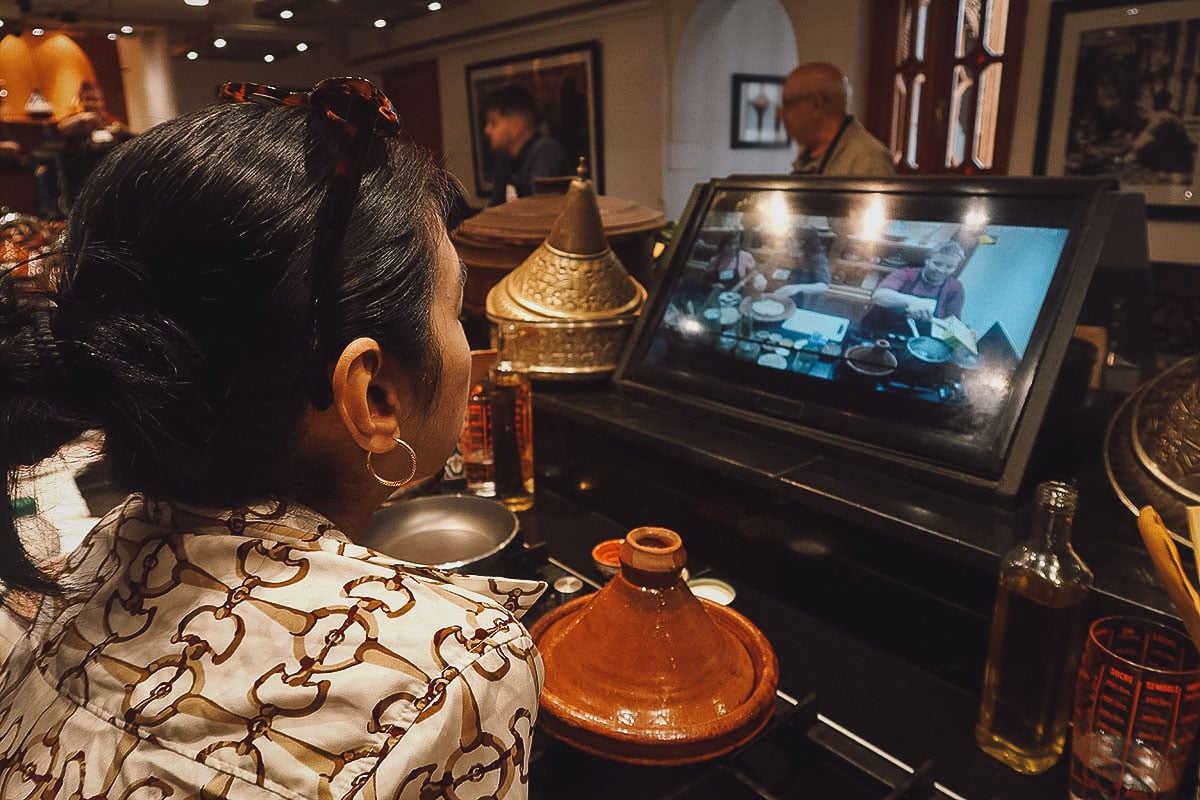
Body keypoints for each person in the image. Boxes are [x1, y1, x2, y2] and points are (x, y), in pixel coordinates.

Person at [0, 77, 545, 799]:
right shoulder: (454, 671)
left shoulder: (94, 555)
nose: (467, 343)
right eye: (456, 307)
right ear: (374, 395)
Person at [780, 62, 896, 176]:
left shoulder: (868, 161)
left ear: (816, 105)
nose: (780, 114)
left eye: (788, 103)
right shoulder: (810, 156)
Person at [483, 84, 571, 206]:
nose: (487, 130)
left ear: (516, 126)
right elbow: (495, 209)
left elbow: (541, 212)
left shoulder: (546, 152)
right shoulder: (506, 159)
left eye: (493, 122)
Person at [864, 240, 966, 335]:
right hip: (881, 329)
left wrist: (963, 335)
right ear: (927, 260)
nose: (941, 270)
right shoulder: (906, 274)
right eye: (937, 264)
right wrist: (914, 302)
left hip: (918, 338)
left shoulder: (955, 288)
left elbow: (953, 324)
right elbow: (879, 296)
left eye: (949, 267)